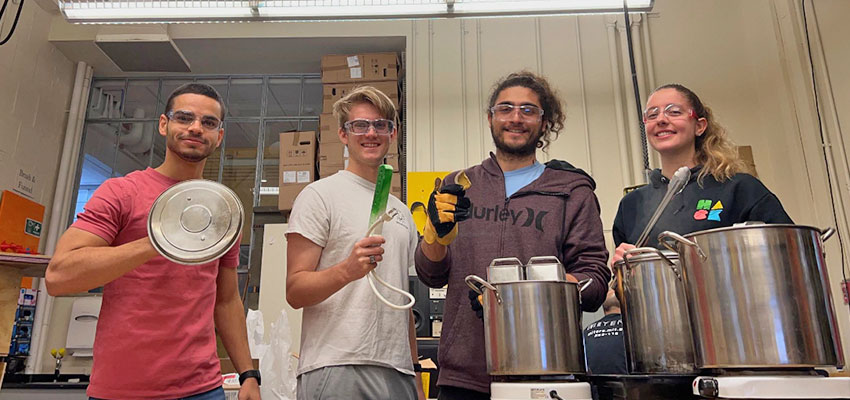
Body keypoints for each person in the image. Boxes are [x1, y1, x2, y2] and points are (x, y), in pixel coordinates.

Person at [46, 83, 260, 400]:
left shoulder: (222, 211)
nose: (196, 128)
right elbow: (59, 276)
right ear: (164, 124)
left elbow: (226, 300)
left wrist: (249, 375)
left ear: (219, 136)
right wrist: (158, 240)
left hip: (202, 389)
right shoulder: (121, 192)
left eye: (209, 123)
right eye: (184, 118)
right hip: (122, 390)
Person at [415, 71, 611, 399]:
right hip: (463, 375)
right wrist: (434, 235)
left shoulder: (571, 191)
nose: (516, 118)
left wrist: (522, 302)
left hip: (548, 370)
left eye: (528, 110)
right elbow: (432, 275)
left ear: (545, 122)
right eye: (505, 108)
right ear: (490, 118)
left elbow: (594, 280)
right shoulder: (458, 186)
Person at [285, 86, 425, 400]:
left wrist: (415, 371)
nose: (370, 133)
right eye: (359, 125)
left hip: (397, 370)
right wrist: (346, 270)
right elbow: (295, 291)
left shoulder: (401, 213)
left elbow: (401, 301)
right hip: (337, 366)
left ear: (392, 133)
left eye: (380, 125)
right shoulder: (319, 195)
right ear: (344, 135)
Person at [611, 83, 793, 261]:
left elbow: (788, 250)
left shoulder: (740, 189)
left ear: (699, 126)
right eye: (652, 115)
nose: (661, 120)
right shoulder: (631, 205)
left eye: (674, 112)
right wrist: (621, 267)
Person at [583, 289, 627, 375]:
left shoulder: (587, 331)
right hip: (630, 386)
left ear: (603, 308)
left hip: (593, 386)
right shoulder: (633, 330)